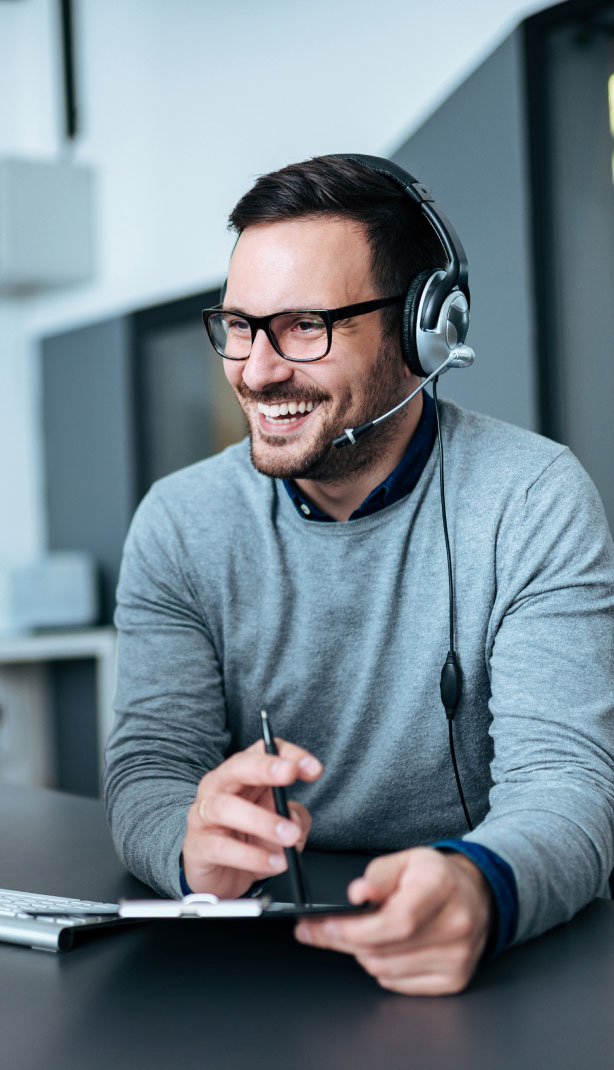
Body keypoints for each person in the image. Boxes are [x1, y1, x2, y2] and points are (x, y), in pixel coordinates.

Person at [103, 154, 614, 996]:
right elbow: (150, 770)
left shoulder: (533, 497)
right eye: (240, 325)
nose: (258, 370)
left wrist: (480, 885)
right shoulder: (180, 520)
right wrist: (190, 847)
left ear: (426, 334)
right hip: (260, 964)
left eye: (306, 325)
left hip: (484, 954)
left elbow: (569, 785)